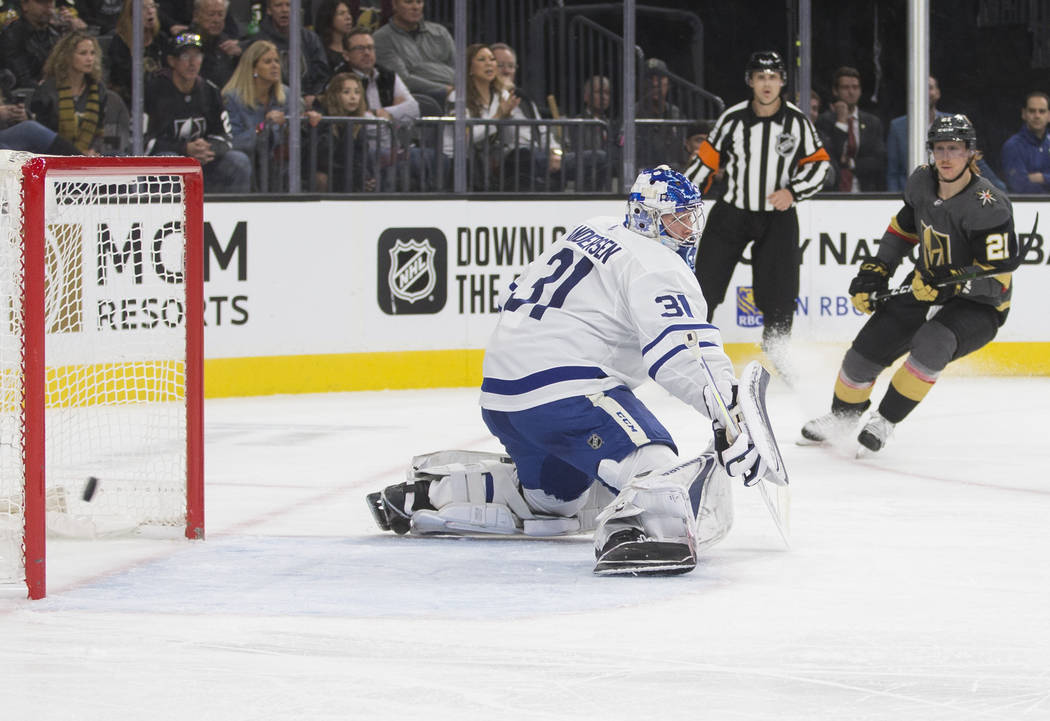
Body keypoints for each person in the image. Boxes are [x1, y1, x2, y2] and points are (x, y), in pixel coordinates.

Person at [365, 166, 767, 576]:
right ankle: (643, 532)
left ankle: (434, 492)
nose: (686, 229)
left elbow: (511, 292)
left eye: (689, 216)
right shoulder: (658, 264)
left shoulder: (592, 227)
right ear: (646, 218)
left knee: (556, 501)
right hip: (563, 392)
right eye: (675, 219)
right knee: (653, 457)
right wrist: (729, 417)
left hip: (502, 394)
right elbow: (684, 353)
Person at [801, 115, 1019, 453]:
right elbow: (903, 230)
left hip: (981, 304)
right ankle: (843, 416)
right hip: (924, 283)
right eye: (940, 149)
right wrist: (877, 269)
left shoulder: (988, 205)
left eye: (956, 149)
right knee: (863, 355)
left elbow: (996, 276)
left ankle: (885, 420)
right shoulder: (921, 181)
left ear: (971, 154)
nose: (946, 157)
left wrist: (950, 286)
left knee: (934, 340)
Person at [684, 50, 830, 368]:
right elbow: (706, 162)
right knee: (705, 283)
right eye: (760, 77)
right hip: (733, 213)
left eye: (773, 77)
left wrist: (793, 192)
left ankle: (778, 352)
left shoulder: (797, 121)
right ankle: (691, 351)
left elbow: (819, 166)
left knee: (780, 292)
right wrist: (681, 198)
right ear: (750, 82)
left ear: (782, 82)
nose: (767, 84)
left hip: (777, 218)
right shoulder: (732, 118)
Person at [145, 32, 251, 193]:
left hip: (202, 161)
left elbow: (225, 136)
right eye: (185, 56)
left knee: (239, 162)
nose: (193, 63)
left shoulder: (210, 91)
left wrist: (209, 148)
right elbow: (144, 141)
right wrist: (184, 149)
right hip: (165, 163)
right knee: (172, 162)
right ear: (172, 61)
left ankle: (231, 213)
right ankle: (172, 215)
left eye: (198, 56)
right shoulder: (153, 92)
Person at [223, 39, 320, 191]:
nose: (275, 66)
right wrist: (263, 127)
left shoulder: (288, 95)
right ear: (253, 68)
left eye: (276, 61)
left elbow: (294, 134)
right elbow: (233, 142)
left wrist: (307, 120)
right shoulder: (232, 98)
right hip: (248, 164)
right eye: (268, 62)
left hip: (277, 166)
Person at [886, 76, 1006, 194]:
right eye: (920, 88)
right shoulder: (897, 127)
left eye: (929, 87)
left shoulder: (956, 123)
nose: (925, 92)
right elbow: (893, 173)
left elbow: (974, 160)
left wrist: (998, 189)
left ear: (938, 93)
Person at [28, 30, 107, 155]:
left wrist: (93, 150)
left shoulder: (99, 89)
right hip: (53, 156)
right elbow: (42, 135)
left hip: (89, 158)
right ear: (68, 56)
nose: (90, 58)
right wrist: (76, 154)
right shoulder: (48, 89)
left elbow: (99, 131)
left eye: (92, 53)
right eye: (83, 53)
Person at [373, 0, 454, 109]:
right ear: (394, 4)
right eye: (408, 2)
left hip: (454, 93)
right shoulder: (382, 38)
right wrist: (446, 90)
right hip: (418, 101)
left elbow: (459, 70)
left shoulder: (440, 32)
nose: (415, 7)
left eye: (419, 2)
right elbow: (403, 79)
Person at [816, 66, 885, 192]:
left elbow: (878, 160)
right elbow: (831, 157)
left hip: (865, 192)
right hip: (833, 193)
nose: (851, 92)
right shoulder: (824, 122)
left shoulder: (872, 123)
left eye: (855, 87)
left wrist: (851, 164)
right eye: (845, 88)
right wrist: (841, 122)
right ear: (835, 91)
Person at [253, 0, 330, 106]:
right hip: (271, 101)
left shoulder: (309, 38)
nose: (284, 10)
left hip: (307, 101)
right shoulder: (259, 40)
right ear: (269, 10)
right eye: (278, 5)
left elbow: (322, 73)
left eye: (288, 5)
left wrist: (313, 94)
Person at [313, 71, 380, 191]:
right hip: (329, 173)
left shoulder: (358, 122)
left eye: (357, 92)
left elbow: (361, 156)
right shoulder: (322, 117)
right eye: (346, 92)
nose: (353, 97)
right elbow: (322, 159)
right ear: (335, 95)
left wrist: (366, 177)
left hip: (348, 175)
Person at [108, 0, 170, 107]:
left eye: (152, 6)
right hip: (129, 100)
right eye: (144, 8)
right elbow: (122, 77)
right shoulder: (120, 41)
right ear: (131, 14)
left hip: (160, 99)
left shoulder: (161, 39)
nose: (150, 11)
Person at [635, 57, 684, 170]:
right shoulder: (632, 112)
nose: (655, 83)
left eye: (660, 78)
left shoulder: (675, 113)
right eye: (650, 78)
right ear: (640, 84)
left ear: (668, 83)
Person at [0, 0, 62, 88]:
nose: (48, 7)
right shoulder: (13, 35)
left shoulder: (55, 35)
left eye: (51, 2)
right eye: (41, 2)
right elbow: (22, 79)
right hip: (26, 96)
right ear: (25, 5)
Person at [1000, 90, 1050, 194]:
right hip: (1025, 207)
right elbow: (1019, 185)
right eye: (1032, 111)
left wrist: (1042, 178)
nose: (1037, 116)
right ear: (1024, 114)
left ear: (1049, 115)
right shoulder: (1013, 146)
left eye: (1042, 111)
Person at [191, 0, 241, 89]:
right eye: (211, 14)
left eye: (220, 14)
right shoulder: (186, 40)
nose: (216, 20)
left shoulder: (228, 43)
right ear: (196, 15)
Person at [313, 0, 353, 76]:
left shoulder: (352, 46)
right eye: (341, 13)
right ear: (329, 17)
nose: (348, 17)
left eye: (349, 13)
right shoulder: (318, 50)